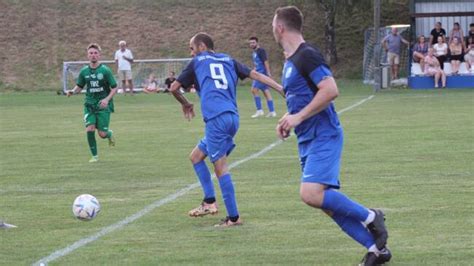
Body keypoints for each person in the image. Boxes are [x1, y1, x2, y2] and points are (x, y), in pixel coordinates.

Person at [271, 6, 390, 265]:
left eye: (273, 24)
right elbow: (300, 96)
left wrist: (298, 117)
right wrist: (288, 118)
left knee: (310, 194)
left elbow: (330, 90)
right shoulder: (291, 61)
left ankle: (372, 216)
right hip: (306, 139)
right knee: (326, 204)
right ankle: (376, 250)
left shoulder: (307, 55)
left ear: (280, 27)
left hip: (324, 134)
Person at [169, 32, 284, 227]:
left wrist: (186, 104)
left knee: (220, 166)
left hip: (216, 119)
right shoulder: (228, 59)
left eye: (191, 48)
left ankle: (233, 217)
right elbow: (255, 74)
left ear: (202, 47)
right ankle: (209, 201)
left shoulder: (197, 61)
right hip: (232, 117)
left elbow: (173, 88)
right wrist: (280, 88)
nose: (191, 53)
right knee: (196, 157)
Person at [67, 43, 117, 163]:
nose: (93, 55)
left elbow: (114, 88)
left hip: (102, 105)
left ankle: (109, 134)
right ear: (87, 55)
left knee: (102, 134)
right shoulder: (84, 71)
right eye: (91, 53)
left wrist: (106, 99)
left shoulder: (105, 70)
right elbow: (79, 86)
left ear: (99, 55)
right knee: (90, 128)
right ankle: (94, 156)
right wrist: (72, 92)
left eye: (95, 53)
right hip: (89, 104)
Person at [248, 37, 277, 118]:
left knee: (254, 90)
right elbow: (257, 63)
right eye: (250, 43)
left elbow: (265, 62)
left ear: (257, 43)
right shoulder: (254, 52)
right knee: (266, 91)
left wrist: (268, 73)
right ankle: (272, 111)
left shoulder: (261, 51)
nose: (251, 44)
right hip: (257, 73)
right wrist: (254, 70)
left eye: (253, 42)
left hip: (261, 75)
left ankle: (259, 110)